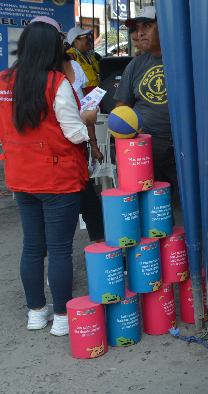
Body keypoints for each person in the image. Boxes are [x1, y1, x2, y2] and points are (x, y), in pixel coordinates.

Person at [0, 17, 98, 336]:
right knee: (58, 250)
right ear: (50, 48)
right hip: (57, 178)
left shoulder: (3, 80)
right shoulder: (56, 82)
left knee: (32, 247)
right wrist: (87, 121)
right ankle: (60, 317)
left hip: (20, 176)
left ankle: (35, 313)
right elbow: (73, 134)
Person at [114, 6, 176, 187]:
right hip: (146, 143)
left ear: (165, 27)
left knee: (192, 203)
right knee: (152, 202)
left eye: (147, 26)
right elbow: (122, 109)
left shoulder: (185, 59)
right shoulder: (136, 65)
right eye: (138, 28)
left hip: (183, 144)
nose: (140, 33)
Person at [61, 41, 105, 243]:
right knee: (61, 216)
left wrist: (94, 144)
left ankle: (102, 248)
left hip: (78, 148)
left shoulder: (75, 65)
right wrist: (83, 120)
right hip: (59, 152)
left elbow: (88, 104)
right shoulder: (48, 78)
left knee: (89, 203)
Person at [66, 26, 101, 94]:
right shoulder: (71, 55)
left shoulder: (90, 56)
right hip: (85, 94)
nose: (90, 39)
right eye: (87, 37)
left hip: (97, 93)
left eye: (90, 36)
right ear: (76, 41)